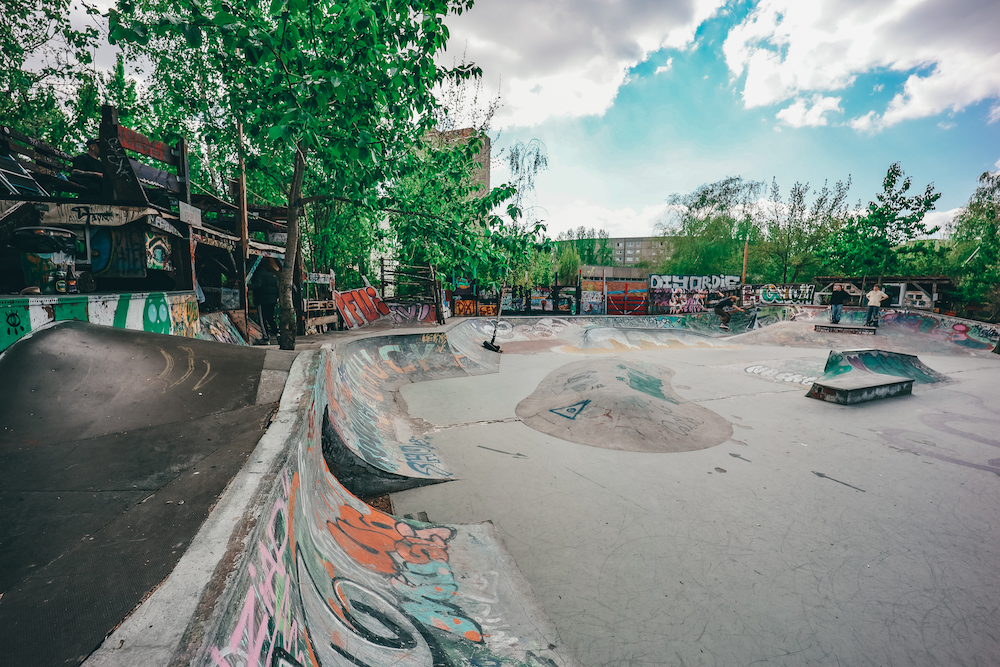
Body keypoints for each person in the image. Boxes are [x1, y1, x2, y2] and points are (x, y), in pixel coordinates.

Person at [250, 261, 280, 340]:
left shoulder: (258, 274)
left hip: (262, 300)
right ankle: (277, 333)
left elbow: (257, 284)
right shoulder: (271, 275)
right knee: (270, 317)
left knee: (262, 319)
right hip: (272, 301)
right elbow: (277, 289)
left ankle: (266, 337)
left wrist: (247, 287)